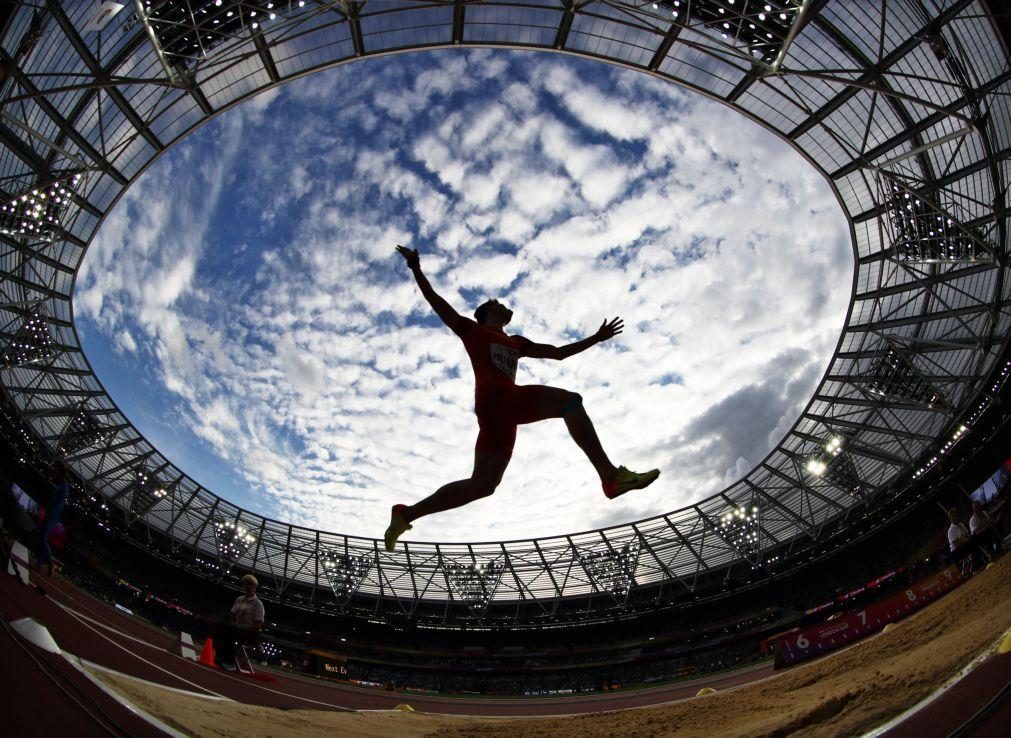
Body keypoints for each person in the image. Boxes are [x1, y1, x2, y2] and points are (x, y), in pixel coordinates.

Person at [384, 245, 660, 552]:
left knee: (483, 485)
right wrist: (416, 268)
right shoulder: (472, 330)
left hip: (500, 415)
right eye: (499, 304)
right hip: (497, 398)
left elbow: (557, 354)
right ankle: (610, 477)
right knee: (570, 402)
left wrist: (596, 338)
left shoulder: (516, 342)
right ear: (488, 311)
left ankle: (406, 514)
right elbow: (436, 302)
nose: (505, 306)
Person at [214, 574, 265, 671]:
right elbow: (232, 615)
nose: (248, 586)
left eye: (250, 584)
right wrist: (233, 624)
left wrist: (242, 629)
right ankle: (220, 657)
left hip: (250, 632)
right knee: (219, 629)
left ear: (255, 587)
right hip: (237, 628)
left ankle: (230, 662)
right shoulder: (239, 599)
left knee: (231, 635)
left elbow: (258, 624)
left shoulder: (258, 604)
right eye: (246, 584)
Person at [36, 461, 69, 576]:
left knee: (42, 538)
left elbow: (57, 503)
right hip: (51, 514)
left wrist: (50, 513)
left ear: (61, 474)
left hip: (52, 515)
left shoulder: (63, 486)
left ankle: (50, 563)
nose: (55, 474)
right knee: (41, 538)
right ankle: (39, 563)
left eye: (57, 472)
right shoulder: (62, 486)